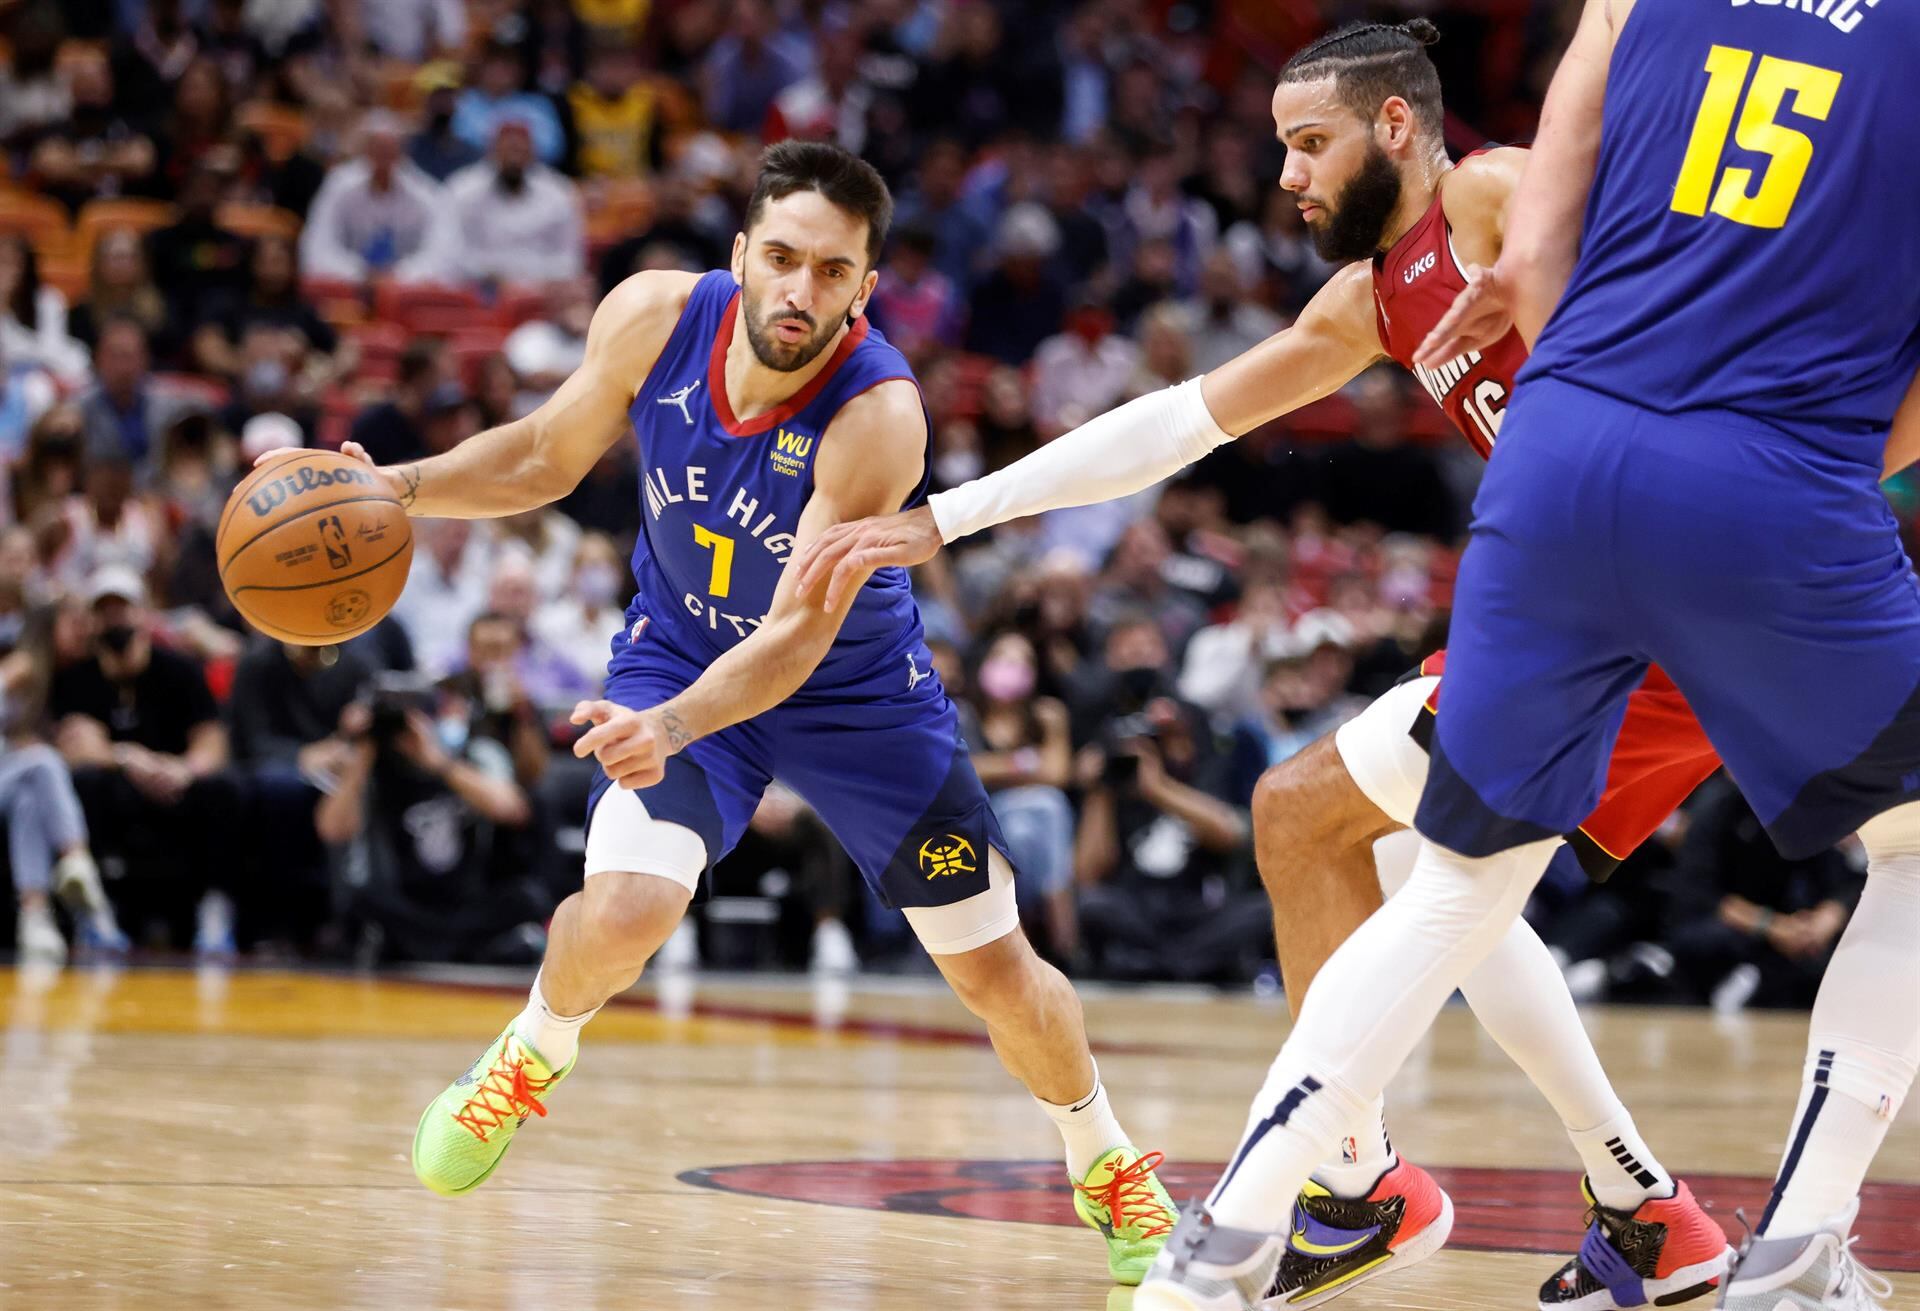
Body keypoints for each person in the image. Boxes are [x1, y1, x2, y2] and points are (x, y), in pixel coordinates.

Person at [795, 24, 1734, 1309]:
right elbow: (1177, 424)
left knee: (1300, 815)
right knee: (1427, 872)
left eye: (1311, 143)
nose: (1286, 177)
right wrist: (950, 517)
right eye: (1283, 147)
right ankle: (1640, 1210)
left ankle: (1355, 1185)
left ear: (1396, 125)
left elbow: (1688, 295)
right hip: (1579, 613)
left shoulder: (1497, 192)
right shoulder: (1370, 297)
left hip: (1655, 601)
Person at [259, 141, 1175, 1286]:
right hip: (679, 652)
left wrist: (676, 728)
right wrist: (403, 485)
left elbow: (794, 638)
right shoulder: (654, 315)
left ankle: (1106, 1163)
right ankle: (531, 1052)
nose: (800, 290)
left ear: (864, 287)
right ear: (740, 252)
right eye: (782, 257)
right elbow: (545, 455)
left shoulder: (879, 417)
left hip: (853, 699)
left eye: (832, 271)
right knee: (627, 909)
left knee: (995, 974)